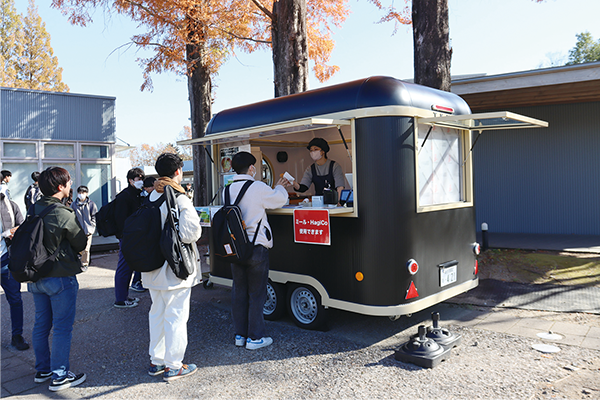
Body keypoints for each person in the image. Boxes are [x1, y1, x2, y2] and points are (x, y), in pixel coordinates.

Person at [142, 153, 202, 381]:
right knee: (175, 316)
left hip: (151, 267)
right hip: (174, 268)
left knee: (156, 314)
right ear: (178, 172)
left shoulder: (150, 197)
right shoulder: (178, 197)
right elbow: (190, 233)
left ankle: (156, 362)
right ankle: (174, 365)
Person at [28, 167, 88, 391]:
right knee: (62, 328)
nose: (72, 185)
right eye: (69, 182)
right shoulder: (62, 213)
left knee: (41, 325)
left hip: (36, 276)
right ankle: (60, 376)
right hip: (60, 276)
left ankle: (42, 370)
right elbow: (80, 243)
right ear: (60, 187)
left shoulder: (34, 208)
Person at [227, 152, 290, 350]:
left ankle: (240, 335)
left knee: (239, 292)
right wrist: (280, 185)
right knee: (257, 294)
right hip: (256, 247)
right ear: (252, 168)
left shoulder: (227, 189)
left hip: (236, 248)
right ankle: (255, 338)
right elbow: (280, 200)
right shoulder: (257, 187)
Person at [0, 189, 28, 351]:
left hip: (6, 260)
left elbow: (22, 227)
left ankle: (17, 336)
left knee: (15, 300)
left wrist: (13, 232)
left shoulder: (10, 206)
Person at [113, 168, 145, 308]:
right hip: (127, 237)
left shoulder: (137, 194)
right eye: (138, 179)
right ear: (130, 180)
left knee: (128, 267)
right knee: (124, 267)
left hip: (134, 237)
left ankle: (124, 296)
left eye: (141, 178)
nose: (140, 181)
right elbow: (120, 219)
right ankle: (120, 299)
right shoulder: (124, 196)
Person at [292, 138, 345, 202]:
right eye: (311, 150)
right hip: (318, 203)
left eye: (316, 149)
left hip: (333, 202)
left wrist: (339, 202)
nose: (313, 152)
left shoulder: (334, 166)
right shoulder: (310, 168)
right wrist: (294, 183)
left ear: (323, 151)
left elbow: (340, 187)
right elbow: (303, 187)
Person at [71, 186, 97, 268]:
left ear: (86, 193)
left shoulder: (91, 204)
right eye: (80, 193)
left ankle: (84, 263)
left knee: (86, 248)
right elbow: (71, 216)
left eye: (83, 193)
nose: (81, 195)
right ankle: (82, 259)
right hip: (78, 230)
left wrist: (92, 226)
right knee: (79, 248)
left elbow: (94, 216)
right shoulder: (74, 204)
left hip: (88, 230)